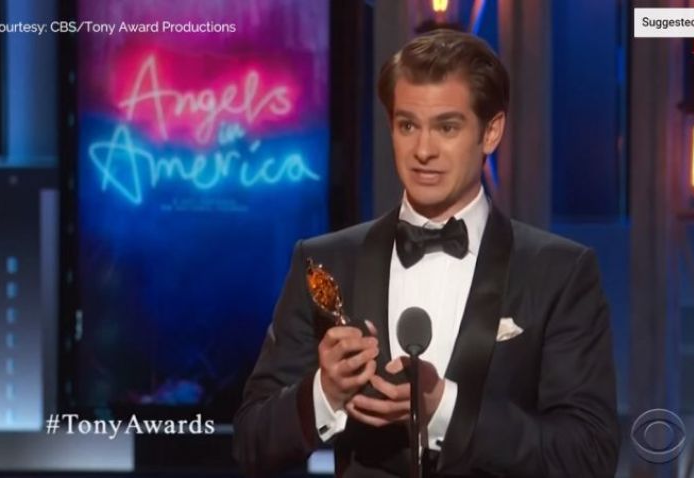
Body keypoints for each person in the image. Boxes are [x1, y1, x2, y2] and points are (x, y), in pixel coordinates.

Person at [233, 29, 619, 477]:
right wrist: (325, 392)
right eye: (407, 125)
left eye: (447, 127)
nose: (423, 151)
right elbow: (251, 443)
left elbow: (587, 457)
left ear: (490, 132)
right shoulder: (325, 263)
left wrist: (444, 409)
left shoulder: (559, 272)